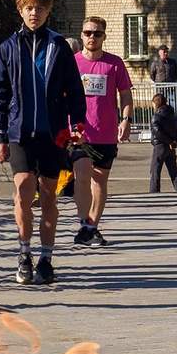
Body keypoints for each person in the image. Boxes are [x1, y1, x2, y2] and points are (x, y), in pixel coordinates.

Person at [0, 0, 82, 288]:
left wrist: (76, 124)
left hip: (52, 133)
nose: (34, 13)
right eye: (29, 7)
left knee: (49, 197)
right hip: (19, 133)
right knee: (24, 191)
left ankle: (46, 258)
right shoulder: (8, 47)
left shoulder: (59, 45)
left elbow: (74, 88)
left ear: (47, 11)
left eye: (40, 8)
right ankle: (24, 253)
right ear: (20, 10)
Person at [70, 16, 133, 246]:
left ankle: (91, 225)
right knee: (82, 177)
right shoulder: (72, 62)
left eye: (97, 33)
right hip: (79, 132)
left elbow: (125, 94)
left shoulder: (114, 63)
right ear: (81, 35)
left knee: (100, 182)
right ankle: (83, 223)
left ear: (104, 37)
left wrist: (125, 120)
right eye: (87, 33)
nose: (92, 37)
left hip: (105, 132)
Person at [146, 92, 177, 193]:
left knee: (155, 170)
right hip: (171, 146)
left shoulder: (156, 116)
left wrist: (168, 141)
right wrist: (174, 142)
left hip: (160, 146)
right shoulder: (172, 114)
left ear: (156, 103)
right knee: (173, 170)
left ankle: (154, 192)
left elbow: (158, 132)